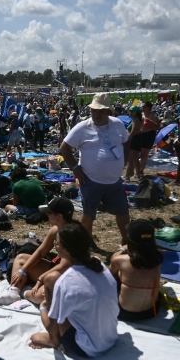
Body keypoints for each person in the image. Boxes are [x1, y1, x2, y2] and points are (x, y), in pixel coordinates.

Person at [28, 223, 119, 357]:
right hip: (110, 337)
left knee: (50, 279)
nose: (55, 246)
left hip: (86, 347)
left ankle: (53, 340)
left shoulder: (66, 282)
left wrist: (43, 306)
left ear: (67, 250)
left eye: (57, 244)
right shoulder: (99, 264)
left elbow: (51, 325)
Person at [59, 92, 131, 246]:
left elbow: (126, 142)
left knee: (123, 212)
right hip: (91, 179)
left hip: (114, 180)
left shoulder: (118, 124)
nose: (97, 114)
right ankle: (87, 242)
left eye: (101, 110)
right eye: (94, 110)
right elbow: (64, 148)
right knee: (88, 214)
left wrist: (124, 160)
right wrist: (75, 168)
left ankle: (126, 240)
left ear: (108, 111)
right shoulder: (82, 128)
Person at [2, 196, 76, 305]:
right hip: (57, 267)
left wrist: (41, 279)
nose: (47, 214)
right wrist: (22, 270)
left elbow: (65, 266)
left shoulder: (72, 234)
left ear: (60, 216)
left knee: (41, 296)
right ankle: (13, 292)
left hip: (69, 275)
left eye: (50, 212)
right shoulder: (55, 229)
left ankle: (24, 291)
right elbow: (40, 252)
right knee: (21, 258)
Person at [109, 220, 164, 320]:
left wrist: (122, 249)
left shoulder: (120, 260)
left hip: (124, 313)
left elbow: (108, 275)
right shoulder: (158, 258)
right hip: (151, 311)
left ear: (129, 239)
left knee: (115, 277)